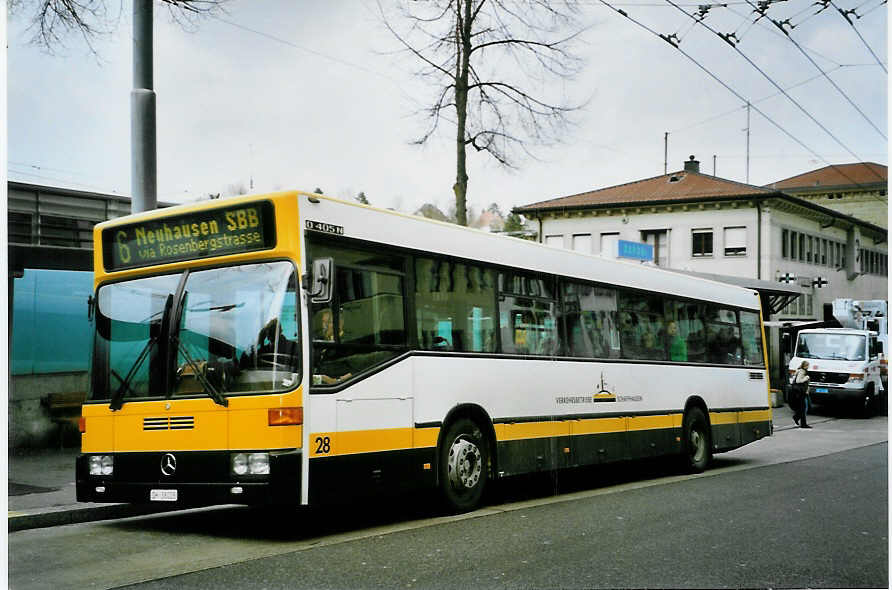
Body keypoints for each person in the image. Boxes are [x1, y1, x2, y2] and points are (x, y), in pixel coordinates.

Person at [790, 360, 812, 428]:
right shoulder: (802, 371)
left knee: (803, 408)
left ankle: (800, 420)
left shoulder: (800, 371)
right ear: (804, 366)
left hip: (801, 392)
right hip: (800, 393)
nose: (808, 367)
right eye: (807, 365)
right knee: (803, 408)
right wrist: (806, 378)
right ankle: (800, 421)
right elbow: (798, 381)